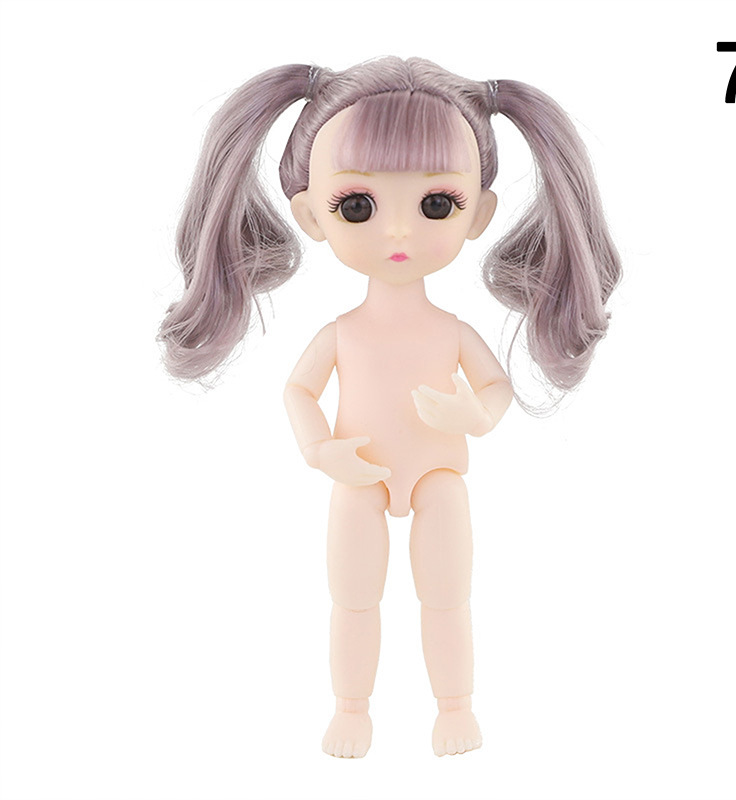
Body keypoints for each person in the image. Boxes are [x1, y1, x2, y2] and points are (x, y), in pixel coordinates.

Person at [160, 57, 621, 758]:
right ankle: (352, 710)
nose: (399, 232)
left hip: (438, 476)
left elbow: (494, 389)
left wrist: (475, 417)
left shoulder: (451, 333)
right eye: (359, 206)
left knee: (447, 598)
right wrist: (321, 450)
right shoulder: (342, 333)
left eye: (437, 204)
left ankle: (455, 707)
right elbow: (298, 391)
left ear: (479, 214)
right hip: (359, 475)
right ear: (311, 214)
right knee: (354, 601)